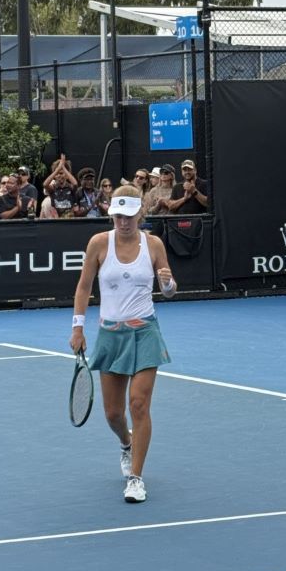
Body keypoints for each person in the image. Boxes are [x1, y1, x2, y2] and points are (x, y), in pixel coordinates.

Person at [70, 185, 177, 503]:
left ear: (139, 214)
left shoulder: (154, 244)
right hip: (110, 336)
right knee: (113, 414)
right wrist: (78, 328)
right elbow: (84, 287)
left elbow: (169, 289)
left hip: (145, 332)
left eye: (129, 216)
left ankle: (136, 478)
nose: (123, 221)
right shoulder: (98, 243)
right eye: (118, 215)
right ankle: (126, 442)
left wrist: (168, 284)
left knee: (139, 404)